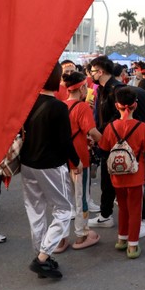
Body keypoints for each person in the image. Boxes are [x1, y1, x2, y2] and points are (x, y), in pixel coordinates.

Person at [20, 63, 82, 279]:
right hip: (50, 165)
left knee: (35, 210)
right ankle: (43, 257)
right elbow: (65, 141)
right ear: (57, 79)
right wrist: (77, 161)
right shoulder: (58, 107)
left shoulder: (27, 103)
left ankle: (41, 255)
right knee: (64, 210)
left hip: (27, 163)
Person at [97, 87, 145, 259]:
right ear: (135, 105)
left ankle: (121, 239)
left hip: (116, 176)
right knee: (135, 210)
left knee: (123, 208)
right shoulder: (141, 128)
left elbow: (102, 152)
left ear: (117, 105)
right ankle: (132, 246)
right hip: (136, 175)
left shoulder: (110, 127)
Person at [57, 72, 102, 251]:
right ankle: (81, 235)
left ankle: (60, 238)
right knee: (80, 197)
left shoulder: (59, 106)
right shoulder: (82, 107)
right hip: (79, 160)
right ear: (82, 87)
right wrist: (108, 142)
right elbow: (92, 132)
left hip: (61, 160)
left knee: (62, 201)